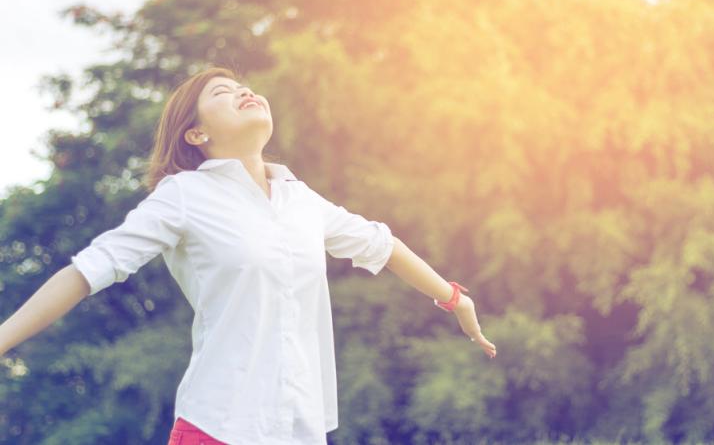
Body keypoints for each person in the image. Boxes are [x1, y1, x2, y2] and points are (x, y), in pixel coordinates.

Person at [0, 66, 497, 444]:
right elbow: (88, 272)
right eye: (221, 93)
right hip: (219, 424)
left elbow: (382, 246)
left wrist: (455, 299)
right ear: (197, 135)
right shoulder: (184, 195)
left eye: (242, 86)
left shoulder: (300, 199)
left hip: (300, 427)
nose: (242, 91)